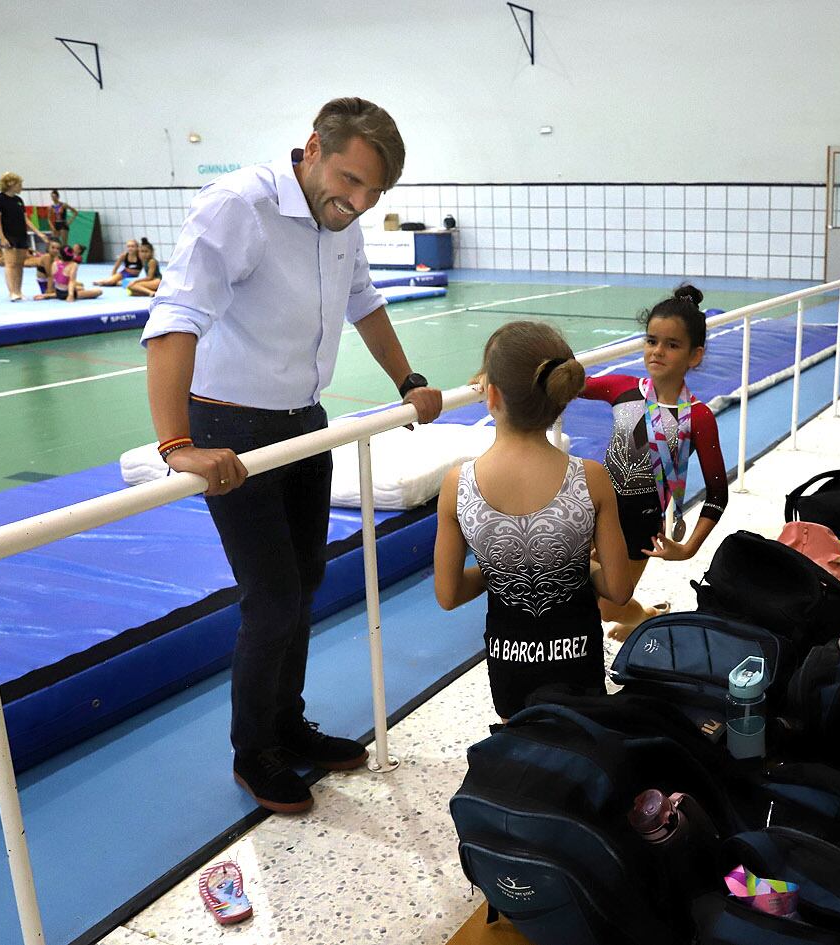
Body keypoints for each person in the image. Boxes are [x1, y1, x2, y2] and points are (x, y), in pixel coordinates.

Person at [141, 96, 443, 814]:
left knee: (305, 581)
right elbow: (173, 318)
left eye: (375, 193)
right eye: (349, 179)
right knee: (272, 597)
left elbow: (363, 301)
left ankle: (287, 725)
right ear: (312, 148)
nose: (359, 202)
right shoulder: (237, 206)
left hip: (304, 421)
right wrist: (179, 443)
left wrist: (409, 381)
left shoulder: (343, 219)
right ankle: (254, 752)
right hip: (230, 423)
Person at [434, 321, 632, 720]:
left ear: (491, 395)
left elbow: (449, 593)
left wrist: (504, 570)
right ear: (560, 397)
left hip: (510, 670)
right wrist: (576, 567)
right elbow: (620, 588)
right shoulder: (589, 477)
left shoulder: (458, 485)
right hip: (579, 662)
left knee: (523, 749)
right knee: (584, 744)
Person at [580, 285, 729, 640]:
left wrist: (688, 548)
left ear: (694, 356)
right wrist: (503, 374)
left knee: (609, 607)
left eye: (672, 345)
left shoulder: (698, 417)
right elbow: (563, 384)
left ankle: (644, 617)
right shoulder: (621, 389)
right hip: (597, 507)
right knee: (576, 585)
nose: (657, 351)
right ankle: (638, 617)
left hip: (639, 521)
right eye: (651, 341)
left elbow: (718, 493)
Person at [0, 172, 49, 301]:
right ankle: (12, 292)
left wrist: (38, 233)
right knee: (10, 264)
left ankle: (18, 290)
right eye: (20, 184)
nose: (21, 187)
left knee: (19, 264)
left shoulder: (18, 200)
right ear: (11, 184)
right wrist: (2, 237)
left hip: (21, 234)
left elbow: (25, 219)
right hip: (8, 234)